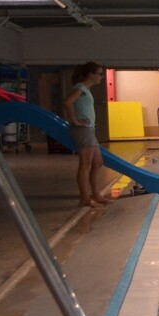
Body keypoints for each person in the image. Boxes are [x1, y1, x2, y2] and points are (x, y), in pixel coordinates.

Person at [61, 61, 109, 208]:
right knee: (86, 164)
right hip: (83, 130)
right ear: (91, 74)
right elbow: (68, 102)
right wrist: (75, 120)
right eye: (100, 74)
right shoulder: (81, 87)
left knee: (97, 162)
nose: (101, 77)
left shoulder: (85, 89)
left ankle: (95, 194)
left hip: (89, 130)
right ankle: (84, 198)